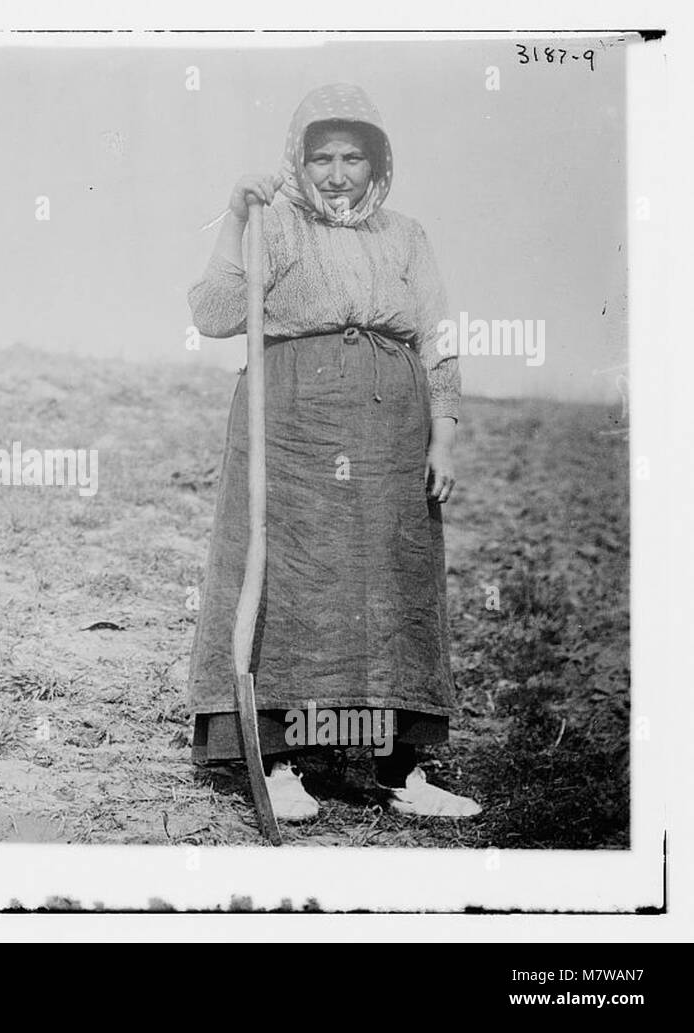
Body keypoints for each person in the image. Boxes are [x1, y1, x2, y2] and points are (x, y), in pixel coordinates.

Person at [186, 84, 480, 820]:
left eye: (354, 156)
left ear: (378, 162)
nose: (338, 172)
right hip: (290, 426)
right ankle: (277, 760)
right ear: (299, 160)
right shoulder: (274, 224)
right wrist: (235, 215)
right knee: (290, 581)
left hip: (389, 430)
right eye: (322, 157)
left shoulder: (406, 235)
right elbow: (216, 312)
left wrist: (442, 435)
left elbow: (438, 338)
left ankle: (401, 767)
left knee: (392, 584)